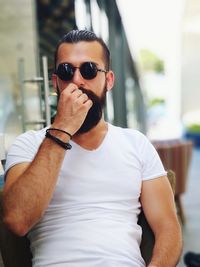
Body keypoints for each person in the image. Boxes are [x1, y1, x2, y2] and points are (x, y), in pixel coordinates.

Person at [2, 30, 182, 267]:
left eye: (88, 69)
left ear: (108, 80)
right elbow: (17, 220)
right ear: (56, 83)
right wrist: (61, 130)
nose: (77, 80)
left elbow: (168, 229)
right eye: (67, 71)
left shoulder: (135, 143)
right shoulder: (29, 144)